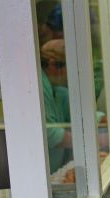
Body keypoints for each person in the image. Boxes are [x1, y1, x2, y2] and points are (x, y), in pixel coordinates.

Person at [40, 39, 72, 173]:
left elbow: (78, 113)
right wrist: (94, 140)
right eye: (69, 67)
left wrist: (101, 120)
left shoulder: (57, 90)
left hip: (53, 172)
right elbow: (50, 134)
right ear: (53, 64)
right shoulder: (39, 87)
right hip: (41, 172)